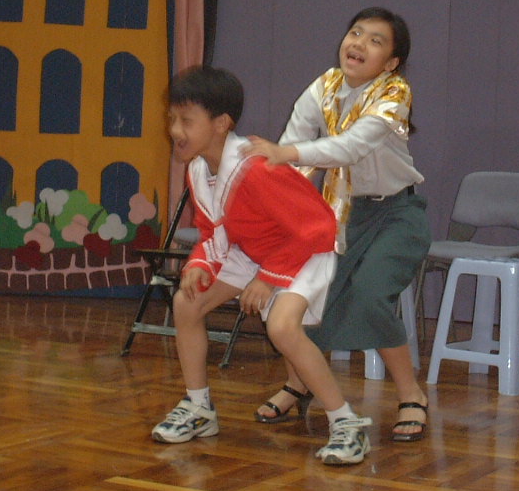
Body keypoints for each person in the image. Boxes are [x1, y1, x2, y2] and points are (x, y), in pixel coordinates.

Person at [150, 65, 374, 466]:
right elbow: (212, 230)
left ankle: (347, 423)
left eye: (186, 120)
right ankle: (199, 408)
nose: (175, 130)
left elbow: (318, 227)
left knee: (282, 327)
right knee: (187, 302)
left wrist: (268, 280)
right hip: (253, 252)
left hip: (303, 251)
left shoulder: (256, 168)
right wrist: (199, 263)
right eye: (172, 119)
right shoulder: (198, 169)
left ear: (221, 123)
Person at [243, 6, 431, 442]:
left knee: (368, 295)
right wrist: (272, 188)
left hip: (396, 215)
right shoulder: (323, 86)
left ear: (391, 62)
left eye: (375, 40)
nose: (358, 44)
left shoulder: (395, 92)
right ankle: (299, 383)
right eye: (355, 33)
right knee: (302, 297)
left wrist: (286, 154)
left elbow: (348, 148)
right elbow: (292, 147)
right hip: (340, 213)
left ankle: (411, 394)